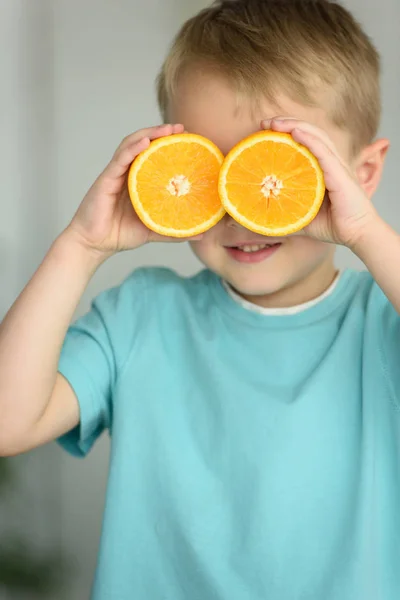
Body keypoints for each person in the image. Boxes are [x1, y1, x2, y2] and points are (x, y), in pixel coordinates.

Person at [1, 0, 399, 598]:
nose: (241, 209)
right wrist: (80, 245)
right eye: (212, 171)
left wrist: (368, 232)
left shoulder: (382, 324)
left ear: (362, 175)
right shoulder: (139, 318)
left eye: (275, 168)